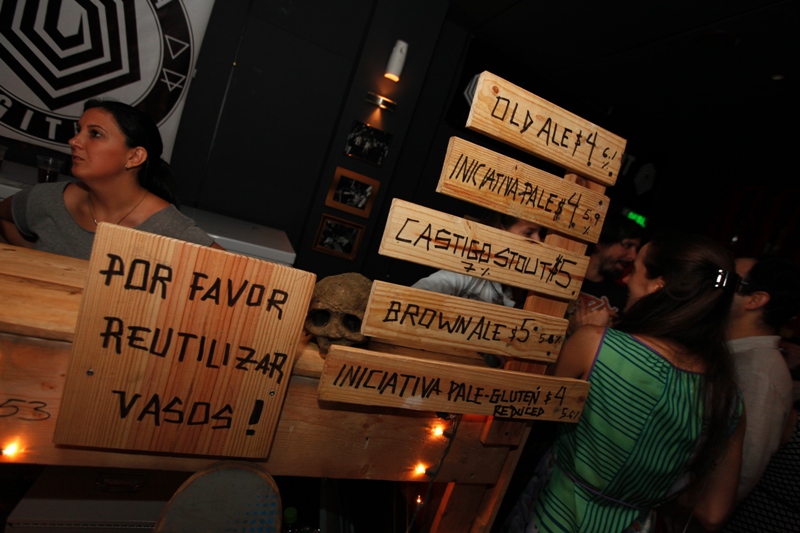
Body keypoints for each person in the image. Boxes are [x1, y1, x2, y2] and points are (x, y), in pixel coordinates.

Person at [503, 233, 744, 533]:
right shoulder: (727, 396)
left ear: (658, 285)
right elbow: (713, 512)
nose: (627, 280)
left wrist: (583, 335)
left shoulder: (595, 345)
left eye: (636, 270)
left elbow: (528, 416)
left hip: (556, 515)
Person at [0, 99, 221, 259]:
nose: (74, 141)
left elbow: (232, 281)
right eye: (79, 130)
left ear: (134, 157)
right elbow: (5, 218)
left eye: (95, 134)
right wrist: (38, 263)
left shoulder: (169, 229)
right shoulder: (48, 199)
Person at [412, 211, 542, 367]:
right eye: (528, 233)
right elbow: (407, 304)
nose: (539, 240)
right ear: (501, 231)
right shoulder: (468, 274)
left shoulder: (517, 289)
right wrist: (478, 336)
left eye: (539, 234)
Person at [726, 257, 799, 502]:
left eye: (728, 280)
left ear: (755, 300)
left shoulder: (760, 375)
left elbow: (738, 477)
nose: (714, 285)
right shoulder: (735, 354)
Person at [568, 216, 646, 332]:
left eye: (636, 249)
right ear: (600, 243)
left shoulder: (623, 298)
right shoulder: (566, 278)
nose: (633, 256)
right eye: (627, 245)